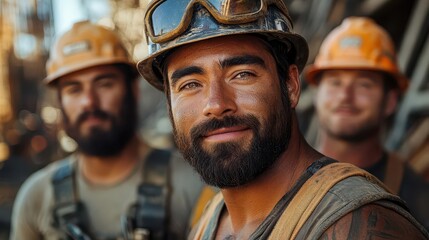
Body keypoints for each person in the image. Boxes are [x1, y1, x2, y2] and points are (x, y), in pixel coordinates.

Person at [136, 1, 429, 239]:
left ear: (290, 85)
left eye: (242, 75)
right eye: (190, 85)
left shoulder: (354, 225)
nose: (215, 104)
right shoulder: (209, 220)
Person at [10, 21, 213, 240]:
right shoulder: (36, 197)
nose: (89, 102)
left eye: (104, 84)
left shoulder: (193, 186)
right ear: (60, 101)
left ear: (133, 90)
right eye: (74, 89)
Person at [305, 17, 429, 230]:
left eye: (364, 84)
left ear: (390, 101)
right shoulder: (281, 178)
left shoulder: (415, 196)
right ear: (317, 93)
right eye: (335, 82)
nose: (345, 96)